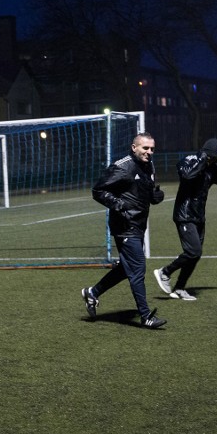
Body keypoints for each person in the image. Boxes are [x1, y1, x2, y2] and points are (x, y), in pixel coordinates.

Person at [80, 132, 167, 329]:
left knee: (126, 269)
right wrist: (119, 205)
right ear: (134, 147)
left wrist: (155, 196)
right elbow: (99, 190)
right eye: (145, 148)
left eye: (152, 148)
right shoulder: (122, 166)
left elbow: (144, 191)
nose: (149, 152)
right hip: (124, 226)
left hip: (138, 224)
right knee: (137, 269)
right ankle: (146, 317)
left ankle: (92, 292)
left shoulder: (149, 165)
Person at [153, 138, 217, 301]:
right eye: (211, 157)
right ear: (205, 153)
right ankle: (165, 272)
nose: (212, 161)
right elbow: (188, 175)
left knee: (195, 255)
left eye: (214, 159)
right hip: (184, 215)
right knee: (193, 251)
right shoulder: (190, 160)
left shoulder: (212, 168)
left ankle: (180, 288)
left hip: (198, 216)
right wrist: (204, 159)